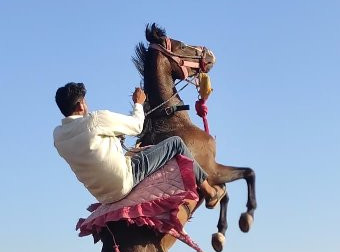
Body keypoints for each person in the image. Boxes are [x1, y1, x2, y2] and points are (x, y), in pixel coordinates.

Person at [53, 82, 225, 208]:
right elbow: (137, 126)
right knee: (176, 143)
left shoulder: (58, 136)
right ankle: (209, 191)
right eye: (85, 101)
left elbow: (89, 150)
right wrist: (138, 103)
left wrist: (112, 136)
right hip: (123, 181)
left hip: (102, 196)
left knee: (140, 150)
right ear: (81, 104)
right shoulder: (96, 119)